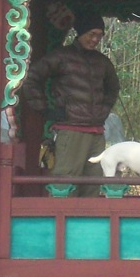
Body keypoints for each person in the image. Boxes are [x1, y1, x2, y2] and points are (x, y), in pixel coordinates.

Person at [21, 11, 120, 197]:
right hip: (69, 129)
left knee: (93, 184)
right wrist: (45, 109)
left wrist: (103, 111)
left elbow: (113, 88)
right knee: (64, 184)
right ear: (80, 32)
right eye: (91, 34)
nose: (95, 39)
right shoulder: (61, 56)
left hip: (96, 132)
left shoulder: (102, 62)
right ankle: (58, 225)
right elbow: (31, 78)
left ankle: (88, 226)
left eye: (99, 35)